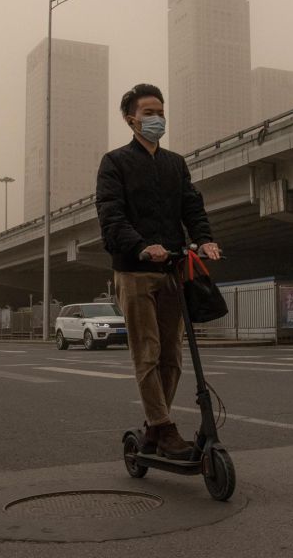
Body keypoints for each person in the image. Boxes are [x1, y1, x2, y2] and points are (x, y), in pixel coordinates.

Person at [96, 83, 221, 460]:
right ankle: (164, 429)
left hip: (174, 271)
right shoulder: (115, 162)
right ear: (130, 118)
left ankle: (154, 426)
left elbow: (192, 207)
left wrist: (205, 239)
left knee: (173, 356)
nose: (156, 119)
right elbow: (111, 215)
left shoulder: (174, 164)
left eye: (161, 112)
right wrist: (141, 246)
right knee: (147, 352)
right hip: (135, 271)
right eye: (149, 113)